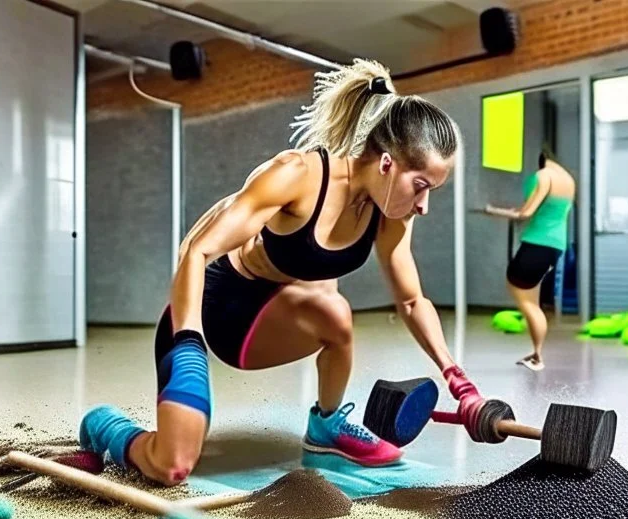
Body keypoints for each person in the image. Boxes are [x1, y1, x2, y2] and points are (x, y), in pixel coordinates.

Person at [79, 59, 486, 487]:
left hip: (267, 320)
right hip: (211, 305)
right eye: (420, 186)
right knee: (172, 466)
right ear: (387, 164)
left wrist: (456, 378)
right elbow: (196, 251)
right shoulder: (297, 176)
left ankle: (326, 428)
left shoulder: (391, 213)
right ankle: (105, 424)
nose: (424, 206)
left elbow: (410, 300)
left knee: (335, 314)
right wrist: (188, 341)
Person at [485, 146, 575, 372]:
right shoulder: (568, 180)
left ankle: (538, 357)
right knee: (532, 302)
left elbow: (526, 213)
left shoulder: (544, 176)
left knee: (527, 302)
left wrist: (493, 211)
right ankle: (536, 355)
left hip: (537, 243)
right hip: (555, 246)